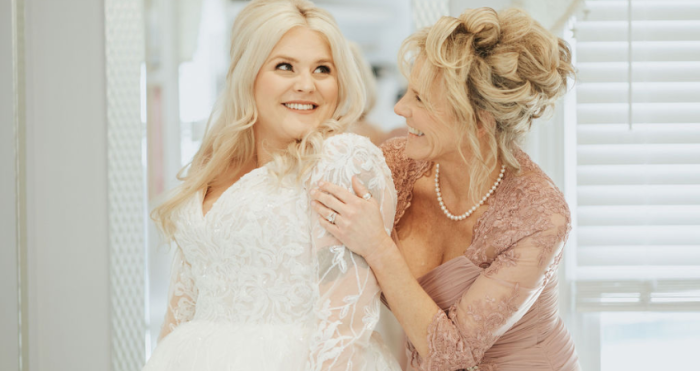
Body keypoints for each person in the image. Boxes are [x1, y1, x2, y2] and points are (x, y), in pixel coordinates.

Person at [311, 7, 580, 371]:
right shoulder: (396, 167)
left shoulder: (541, 218)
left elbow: (450, 357)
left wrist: (377, 245)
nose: (400, 107)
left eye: (421, 99)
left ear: (480, 120)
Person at [144, 0, 401, 370]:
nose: (307, 85)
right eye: (285, 66)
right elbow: (181, 308)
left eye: (323, 69)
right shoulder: (212, 163)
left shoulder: (342, 160)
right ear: (248, 72)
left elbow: (344, 325)